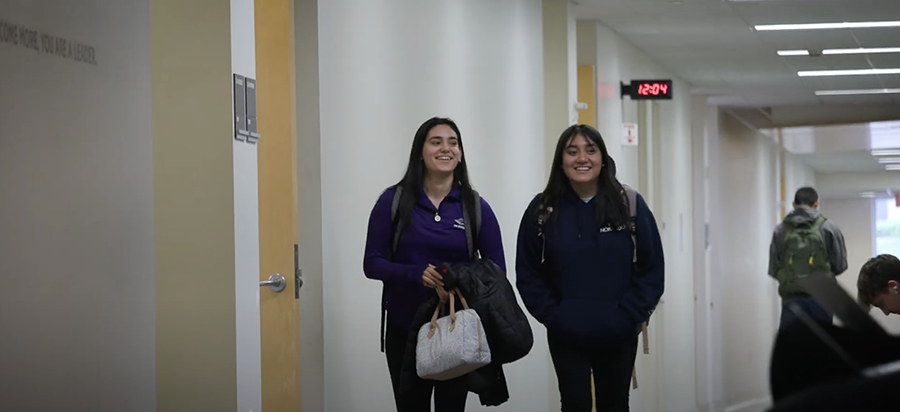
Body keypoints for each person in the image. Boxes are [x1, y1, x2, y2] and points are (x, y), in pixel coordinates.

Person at [515, 124, 664, 412]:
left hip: (618, 332)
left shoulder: (629, 204)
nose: (582, 158)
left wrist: (629, 315)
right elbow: (528, 273)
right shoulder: (542, 209)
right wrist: (554, 316)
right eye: (572, 151)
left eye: (590, 150)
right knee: (575, 404)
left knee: (615, 404)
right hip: (567, 333)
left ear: (603, 158)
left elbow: (652, 269)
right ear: (561, 160)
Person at [363, 117, 506, 412]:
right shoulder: (393, 201)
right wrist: (416, 274)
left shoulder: (475, 206)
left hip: (456, 328)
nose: (446, 149)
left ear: (461, 153)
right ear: (420, 151)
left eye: (453, 143)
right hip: (405, 329)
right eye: (436, 141)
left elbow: (496, 269)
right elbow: (372, 264)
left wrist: (456, 280)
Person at [768, 187, 847, 328]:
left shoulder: (781, 230)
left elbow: (774, 268)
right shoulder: (828, 227)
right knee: (822, 345)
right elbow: (840, 265)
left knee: (793, 345)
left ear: (793, 204)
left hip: (791, 299)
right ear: (816, 204)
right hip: (823, 297)